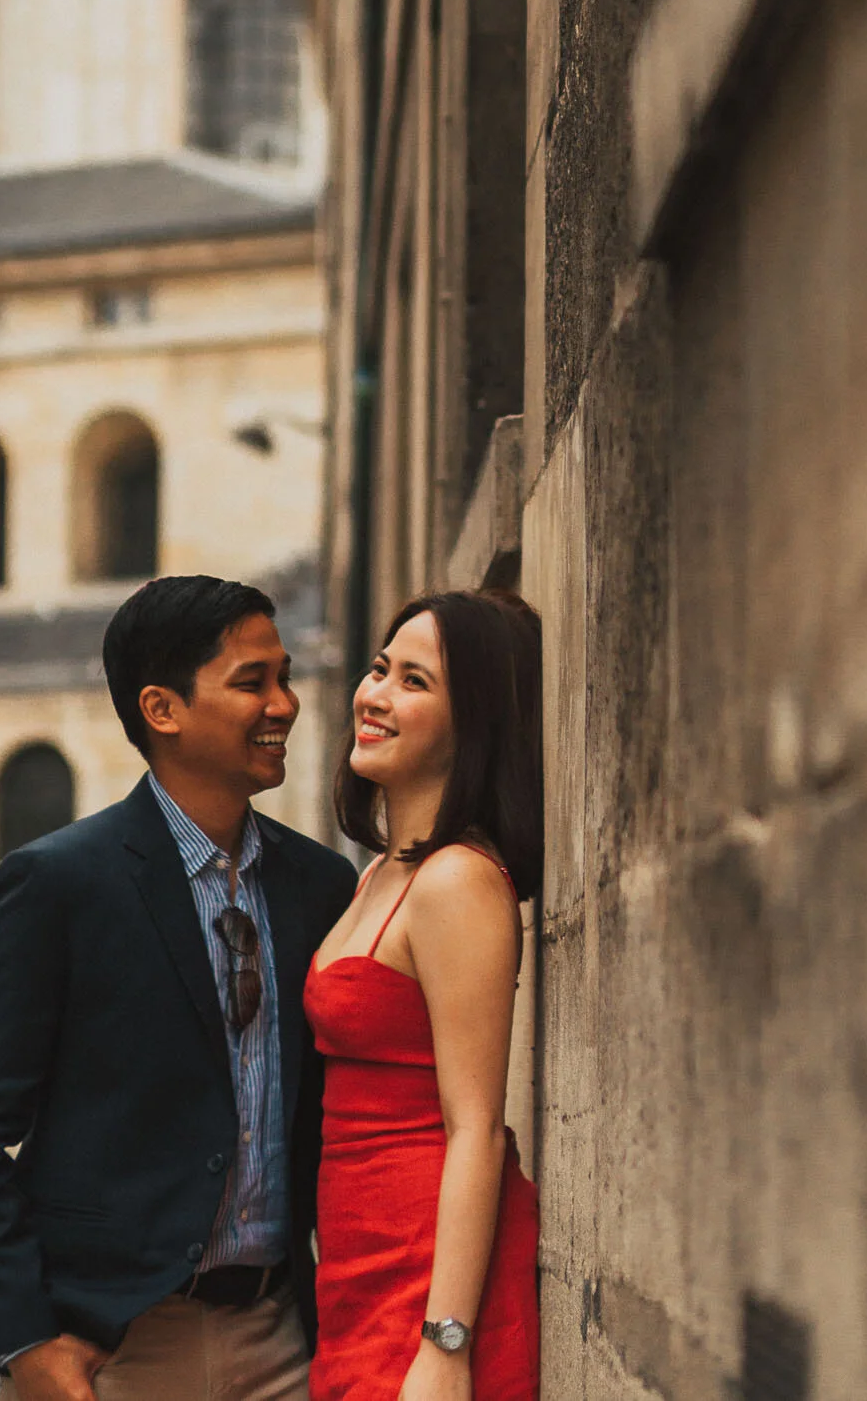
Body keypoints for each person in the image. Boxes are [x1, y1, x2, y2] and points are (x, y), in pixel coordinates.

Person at [0, 575, 357, 1401]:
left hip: (284, 1340)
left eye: (284, 676)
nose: (286, 704)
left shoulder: (320, 884)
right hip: (112, 1350)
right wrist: (24, 1341)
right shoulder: (59, 884)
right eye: (251, 682)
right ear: (161, 709)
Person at [308, 589, 541, 1401]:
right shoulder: (383, 872)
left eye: (415, 681)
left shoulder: (457, 881)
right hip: (357, 1269)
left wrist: (446, 1345)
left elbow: (477, 1125)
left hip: (425, 1280)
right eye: (380, 669)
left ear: (470, 722)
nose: (374, 696)